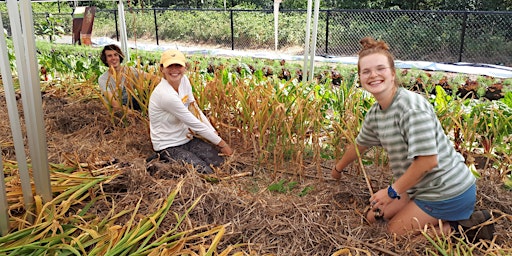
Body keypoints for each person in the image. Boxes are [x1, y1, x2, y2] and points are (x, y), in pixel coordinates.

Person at [331, 37, 494, 241]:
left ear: (392, 73)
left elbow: (428, 161)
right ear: (360, 78)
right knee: (372, 217)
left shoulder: (410, 108)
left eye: (380, 69)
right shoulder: (376, 113)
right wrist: (338, 169)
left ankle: (462, 228)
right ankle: (425, 214)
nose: (373, 75)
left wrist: (391, 192)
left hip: (446, 190)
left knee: (395, 236)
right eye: (366, 71)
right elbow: (360, 145)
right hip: (417, 187)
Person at [148, 49, 233, 174]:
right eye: (170, 66)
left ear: (184, 67)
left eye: (178, 65)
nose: (174, 70)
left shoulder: (184, 81)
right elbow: (192, 121)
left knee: (219, 163)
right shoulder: (165, 95)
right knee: (205, 172)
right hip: (168, 145)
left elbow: (194, 108)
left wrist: (213, 131)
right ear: (162, 69)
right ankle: (161, 160)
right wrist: (221, 143)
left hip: (187, 139)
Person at [98, 44, 146, 111]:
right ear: (105, 60)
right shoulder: (103, 79)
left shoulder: (130, 71)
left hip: (130, 104)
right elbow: (114, 104)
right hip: (115, 111)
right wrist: (132, 113)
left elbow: (152, 78)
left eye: (116, 55)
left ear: (119, 57)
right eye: (109, 56)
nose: (113, 58)